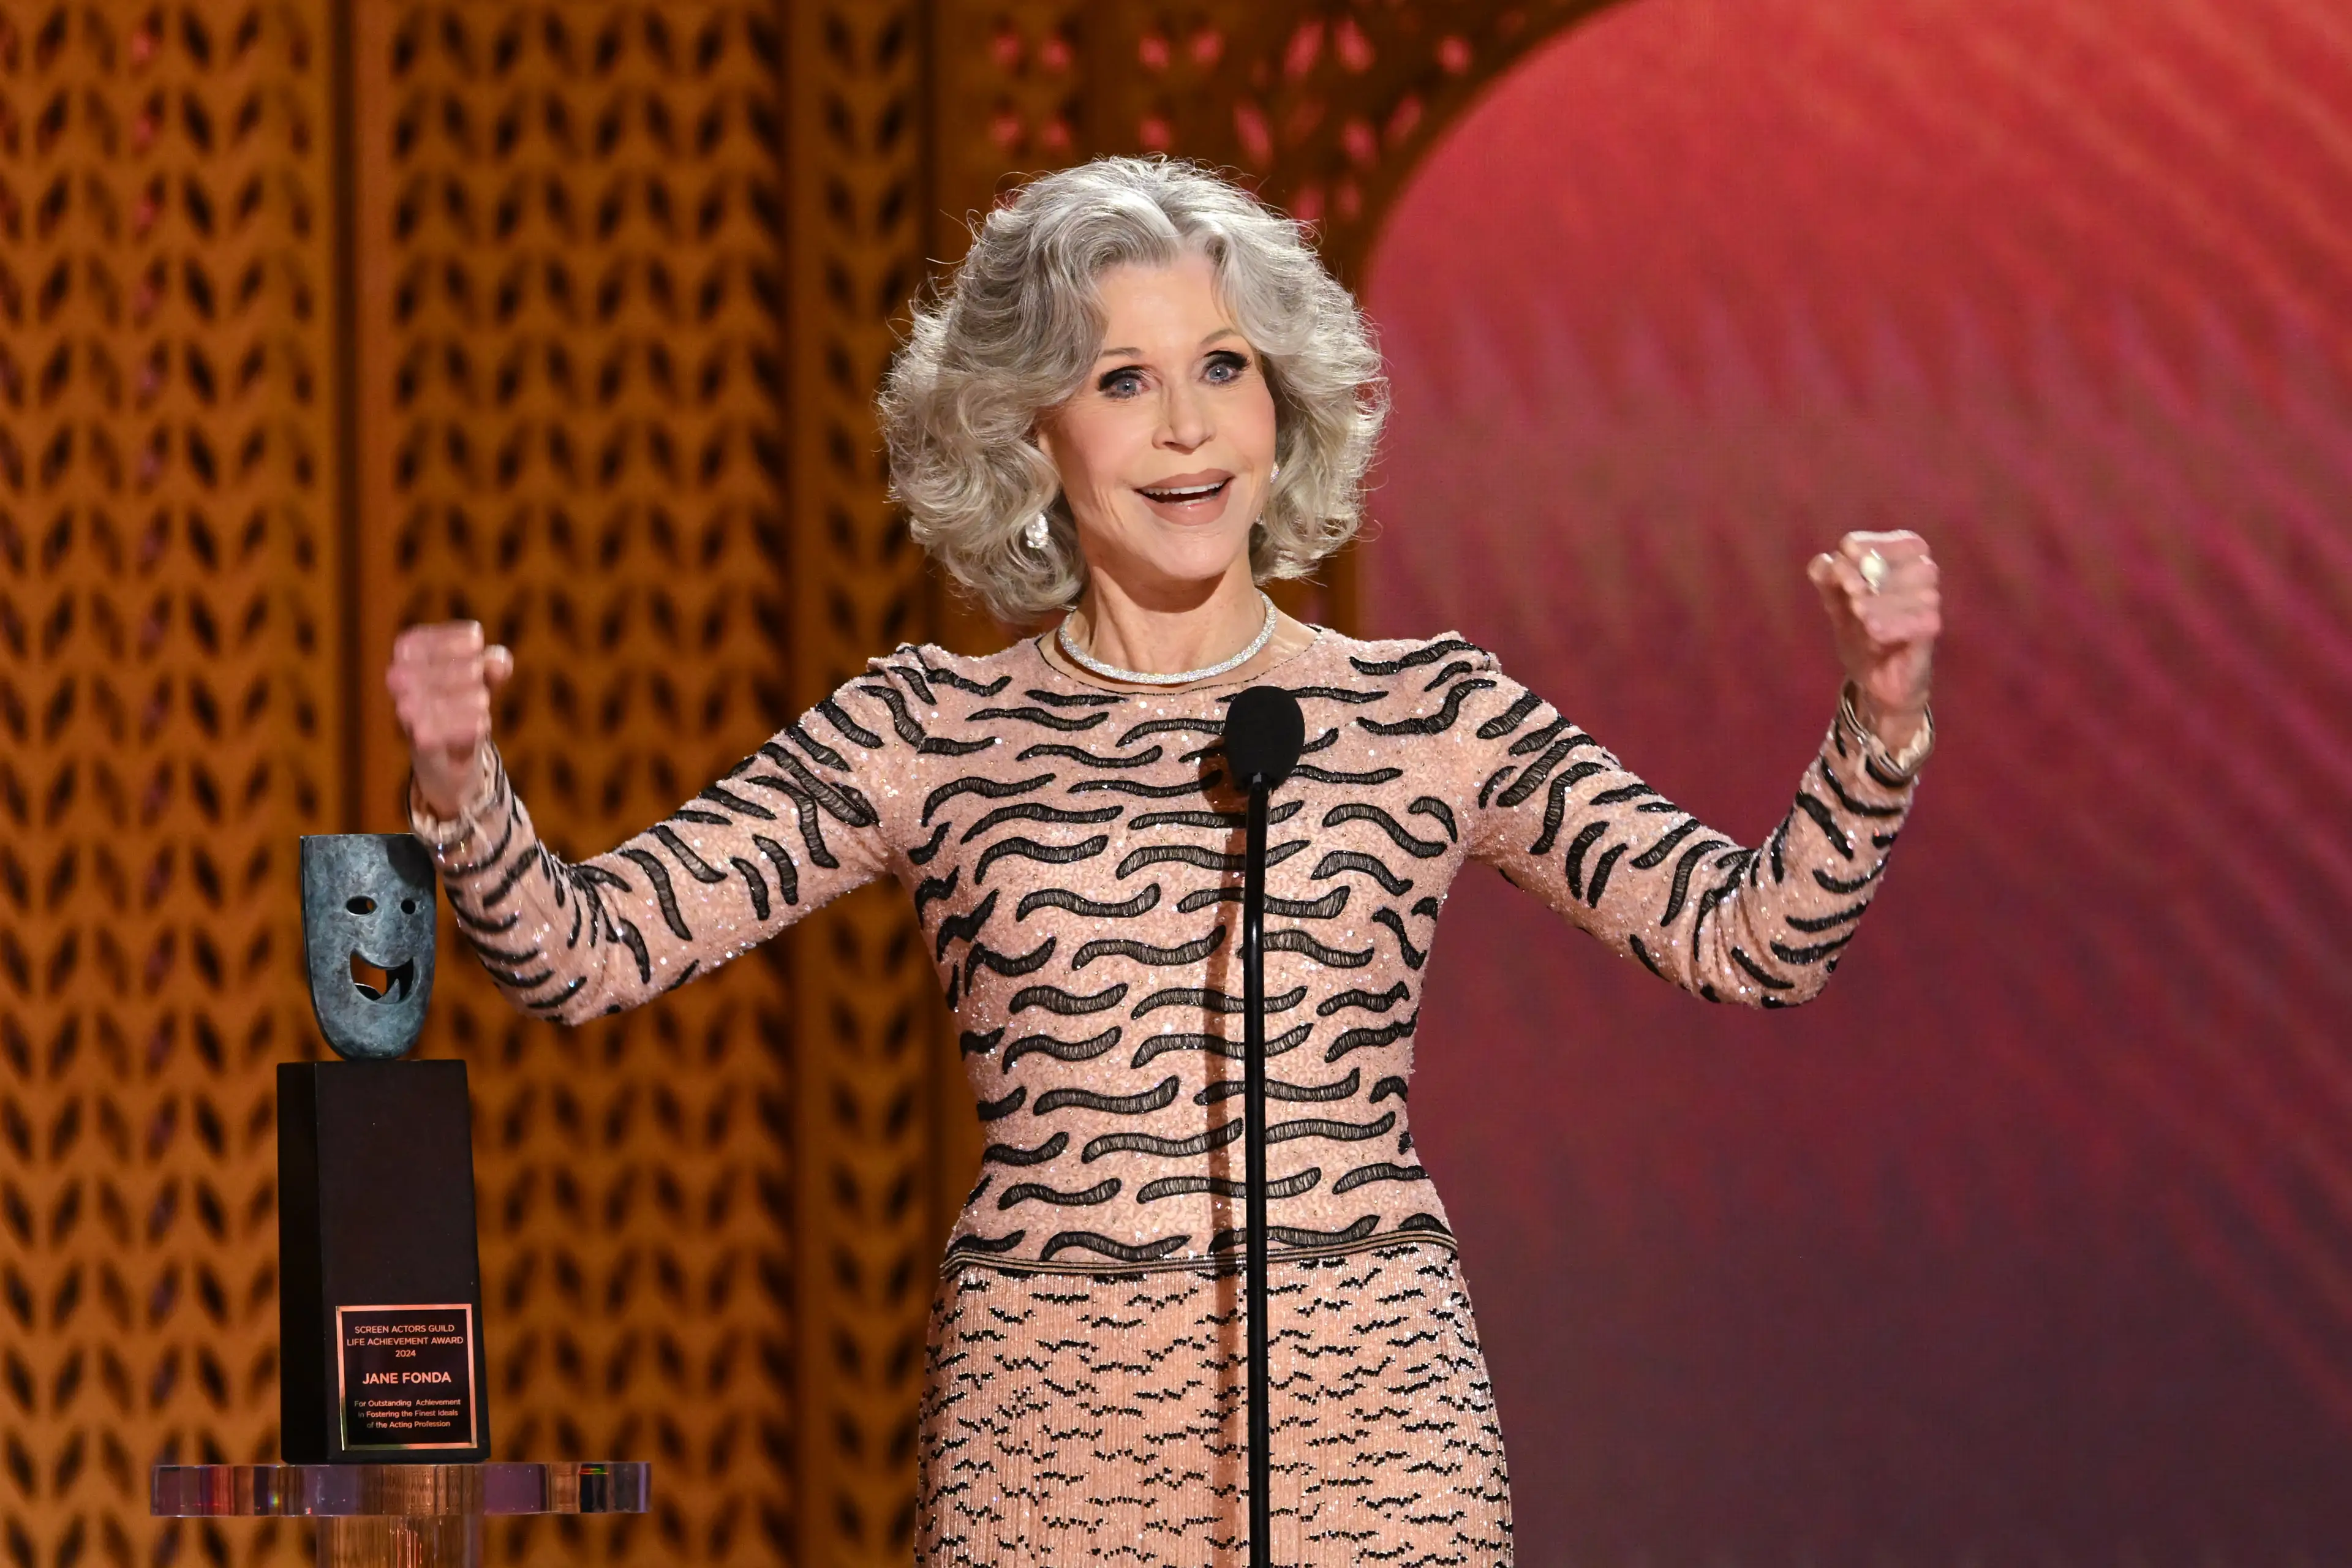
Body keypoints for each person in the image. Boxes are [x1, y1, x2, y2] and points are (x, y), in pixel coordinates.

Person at [388, 157, 1939, 1566]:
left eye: (1223, 370)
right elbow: (582, 957)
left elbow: (1752, 940)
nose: (1188, 427)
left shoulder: (1426, 708)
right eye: (1124, 379)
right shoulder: (930, 728)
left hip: (1374, 1424)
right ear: (1029, 428)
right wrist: (463, 790)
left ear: (1286, 405)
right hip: (1052, 1434)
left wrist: (1880, 720)